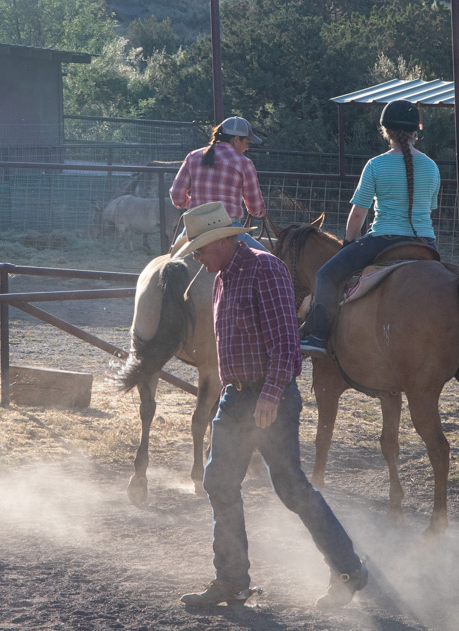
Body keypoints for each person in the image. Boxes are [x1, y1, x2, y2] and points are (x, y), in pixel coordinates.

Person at [174, 201, 367, 609]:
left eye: (201, 247)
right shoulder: (223, 275)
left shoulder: (266, 269)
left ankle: (349, 569)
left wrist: (271, 394)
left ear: (224, 241)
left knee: (291, 488)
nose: (196, 256)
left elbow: (286, 344)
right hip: (236, 396)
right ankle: (231, 581)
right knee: (219, 482)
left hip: (267, 395)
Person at [300, 99, 441, 358]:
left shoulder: (376, 165)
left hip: (383, 240)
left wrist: (348, 243)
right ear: (414, 131)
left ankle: (318, 337)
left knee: (326, 275)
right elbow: (428, 212)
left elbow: (358, 213)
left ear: (385, 131)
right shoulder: (432, 167)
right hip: (426, 244)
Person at [170, 116, 269, 252]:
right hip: (230, 230)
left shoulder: (192, 156)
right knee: (270, 261)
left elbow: (176, 195)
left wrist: (194, 204)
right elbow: (255, 206)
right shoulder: (244, 163)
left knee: (172, 257)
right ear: (236, 139)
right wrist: (260, 212)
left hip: (195, 229)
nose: (247, 147)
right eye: (247, 142)